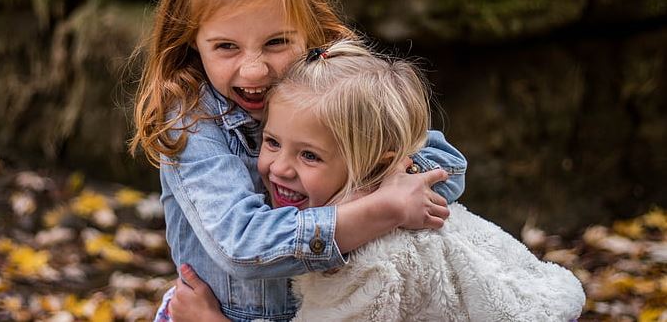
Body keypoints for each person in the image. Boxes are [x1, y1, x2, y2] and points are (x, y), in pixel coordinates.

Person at [129, 0, 467, 322]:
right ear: (192, 41)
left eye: (276, 42)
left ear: (309, 29)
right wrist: (381, 209)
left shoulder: (332, 89)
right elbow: (243, 245)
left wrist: (386, 182)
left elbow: (445, 167)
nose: (254, 71)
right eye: (226, 47)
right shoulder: (192, 120)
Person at [169, 40, 586, 322]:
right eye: (272, 142)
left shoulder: (369, 262)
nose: (279, 168)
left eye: (310, 155)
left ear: (375, 164)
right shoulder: (392, 199)